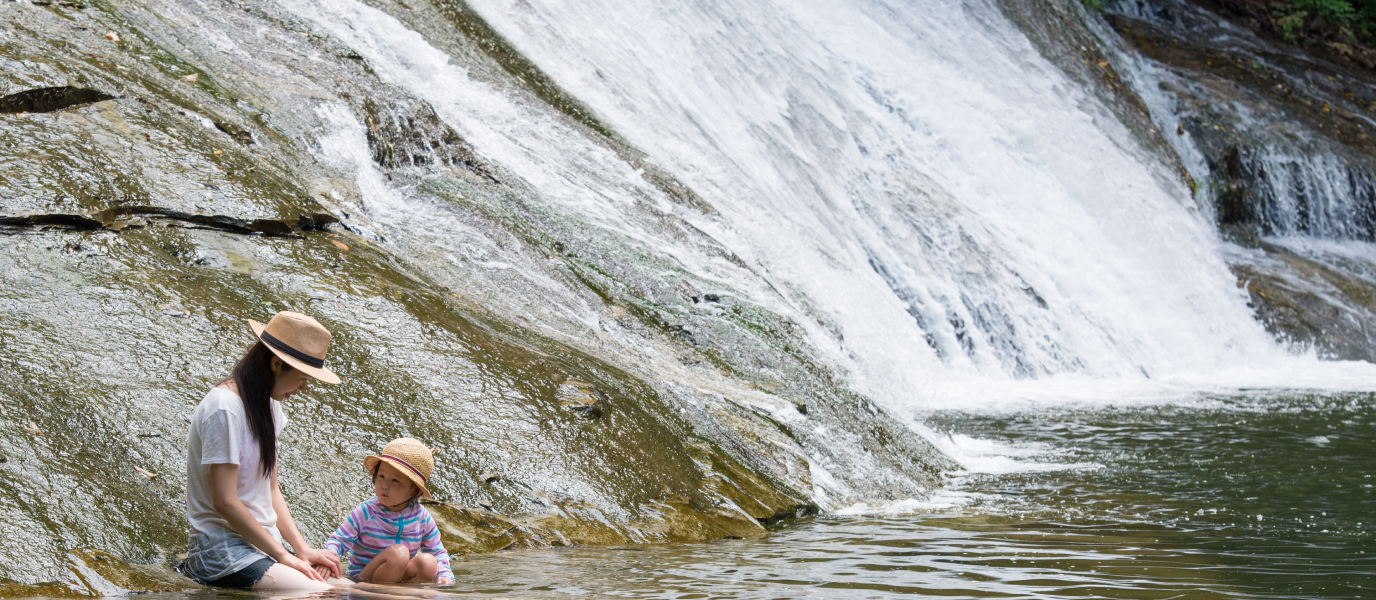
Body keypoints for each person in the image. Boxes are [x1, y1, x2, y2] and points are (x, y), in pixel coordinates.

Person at [181, 311, 344, 591]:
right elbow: (225, 501)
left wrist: (301, 549)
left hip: (263, 547)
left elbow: (271, 490)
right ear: (276, 363)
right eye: (303, 378)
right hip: (222, 553)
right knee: (324, 594)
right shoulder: (225, 408)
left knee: (352, 589)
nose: (303, 388)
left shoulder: (269, 406)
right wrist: (283, 556)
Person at [319, 438, 454, 585]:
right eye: (381, 476)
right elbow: (338, 540)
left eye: (395, 480)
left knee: (428, 562)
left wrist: (446, 577)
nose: (384, 485)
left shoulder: (422, 517)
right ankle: (379, 594)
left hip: (400, 579)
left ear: (414, 490)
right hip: (364, 580)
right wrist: (329, 559)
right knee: (399, 553)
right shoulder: (367, 511)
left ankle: (404, 594)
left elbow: (437, 552)